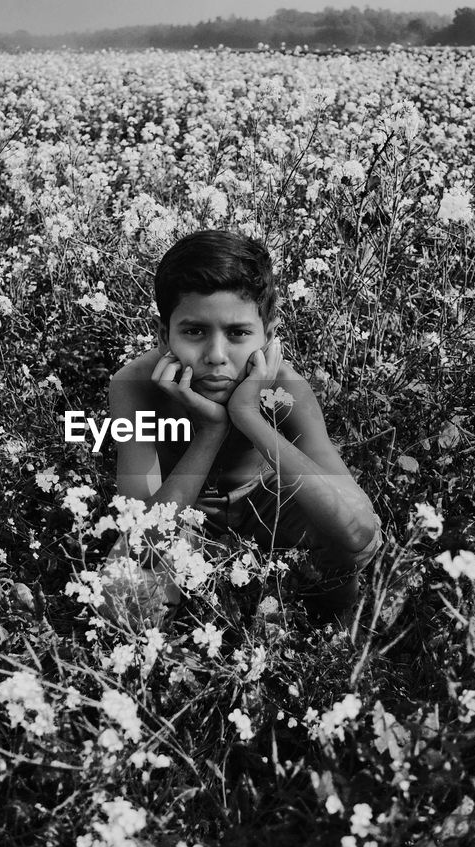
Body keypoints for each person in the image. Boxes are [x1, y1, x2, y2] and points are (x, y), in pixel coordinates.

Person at [104, 229, 383, 625]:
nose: (216, 356)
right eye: (194, 331)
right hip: (184, 512)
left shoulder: (284, 386)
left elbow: (357, 532)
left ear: (268, 334)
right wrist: (211, 432)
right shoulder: (134, 387)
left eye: (238, 333)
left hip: (269, 506)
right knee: (118, 599)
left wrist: (249, 415)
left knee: (347, 535)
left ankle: (333, 620)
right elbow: (141, 542)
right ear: (164, 334)